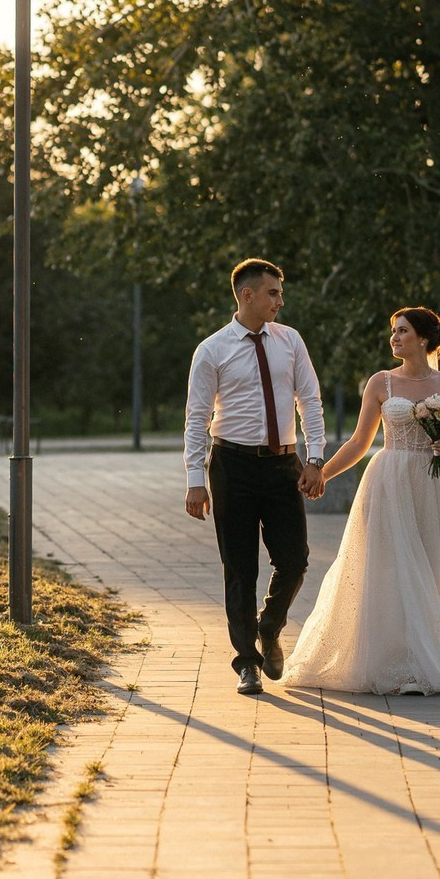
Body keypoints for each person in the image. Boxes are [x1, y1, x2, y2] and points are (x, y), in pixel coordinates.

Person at [281, 306, 440, 694]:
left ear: (423, 339)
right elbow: (360, 443)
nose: (394, 338)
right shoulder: (381, 382)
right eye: (393, 331)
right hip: (388, 481)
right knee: (389, 569)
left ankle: (424, 661)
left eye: (402, 331)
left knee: (430, 566)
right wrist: (321, 473)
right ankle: (393, 659)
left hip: (431, 484)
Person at [184, 259, 328, 695]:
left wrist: (315, 459)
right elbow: (196, 417)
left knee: (295, 559)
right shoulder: (212, 349)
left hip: (283, 465)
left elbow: (311, 401)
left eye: (280, 294)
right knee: (239, 569)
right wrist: (195, 478)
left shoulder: (291, 341)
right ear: (247, 295)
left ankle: (269, 625)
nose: (280, 301)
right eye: (273, 293)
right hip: (233, 467)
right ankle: (247, 662)